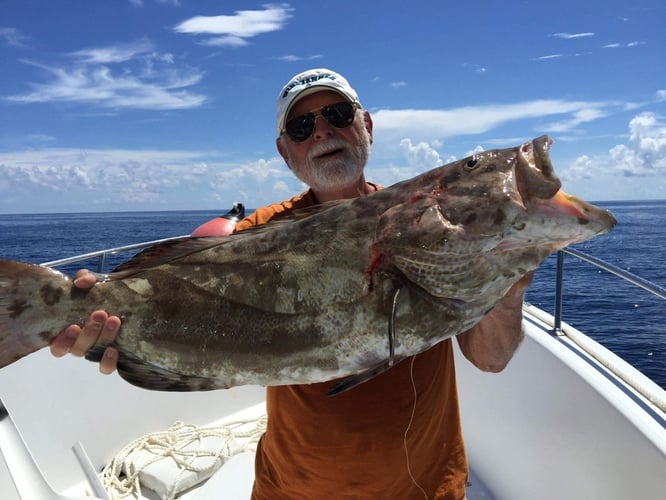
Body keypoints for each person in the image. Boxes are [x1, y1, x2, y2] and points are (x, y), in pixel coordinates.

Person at [50, 68, 532, 499]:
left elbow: (490, 358)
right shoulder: (260, 232)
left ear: (365, 125)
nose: (322, 130)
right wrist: (103, 319)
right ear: (285, 152)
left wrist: (509, 287)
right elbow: (199, 301)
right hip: (294, 489)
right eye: (302, 127)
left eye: (337, 114)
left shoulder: (426, 226)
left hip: (425, 487)